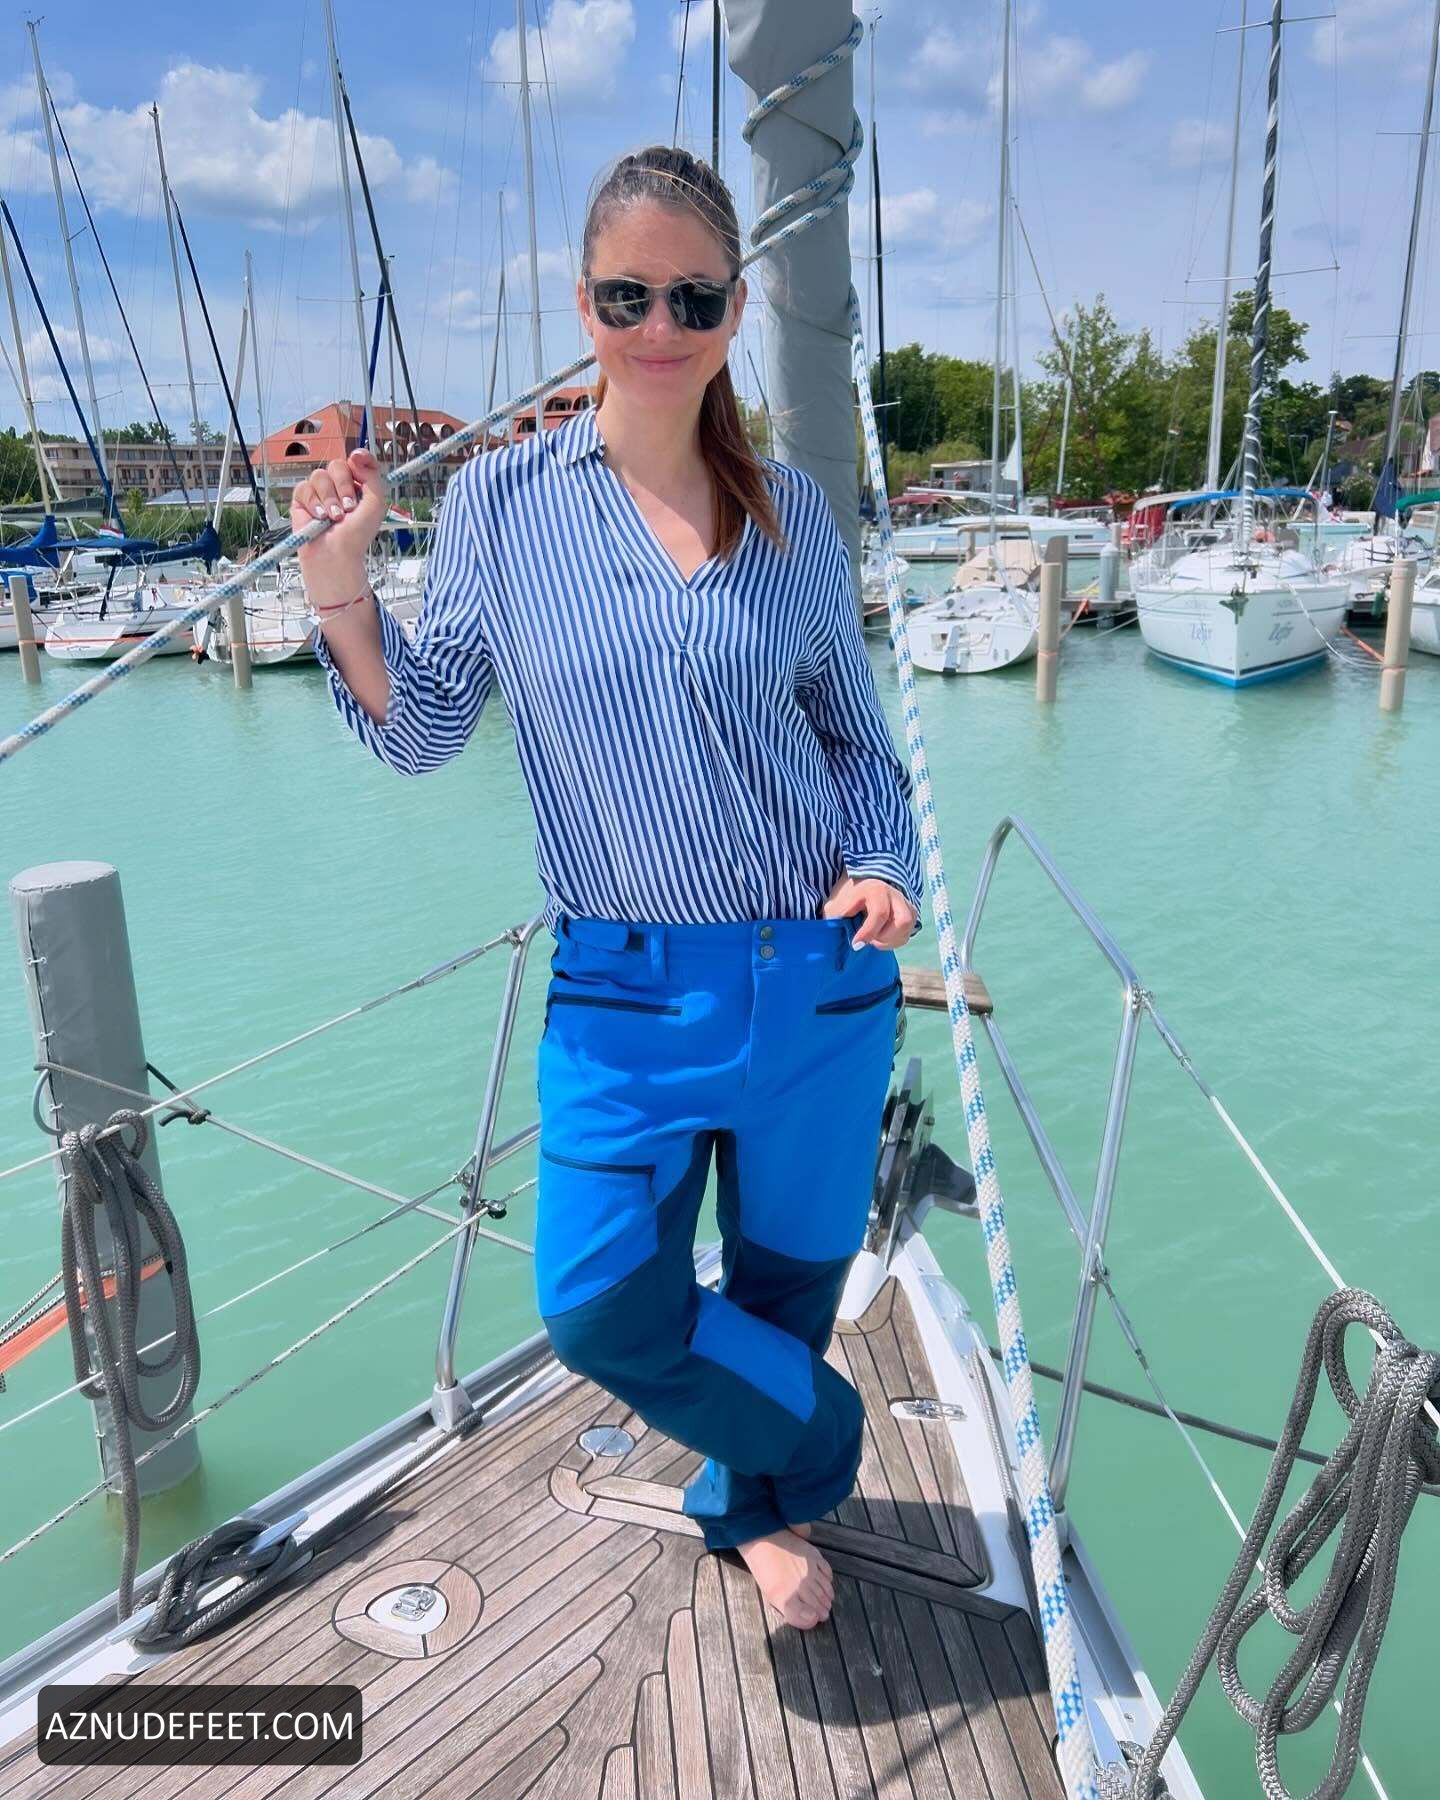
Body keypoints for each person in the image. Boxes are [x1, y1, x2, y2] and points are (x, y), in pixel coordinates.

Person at [293, 145, 924, 1633]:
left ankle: (749, 1512)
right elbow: (423, 727)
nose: (660, 324)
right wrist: (337, 578)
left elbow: (855, 739)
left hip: (818, 981)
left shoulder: (794, 518)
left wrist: (884, 867)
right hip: (625, 992)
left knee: (783, 1287)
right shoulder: (504, 506)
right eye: (629, 294)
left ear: (735, 309)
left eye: (693, 297)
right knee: (598, 1307)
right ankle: (823, 1441)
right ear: (583, 304)